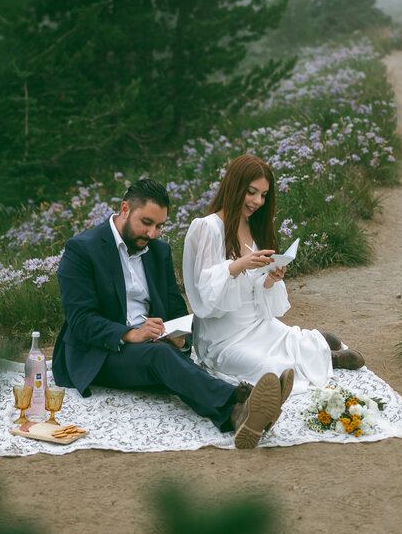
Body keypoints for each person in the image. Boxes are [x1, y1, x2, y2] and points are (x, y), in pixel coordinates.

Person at [53, 178, 293, 450]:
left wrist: (180, 336)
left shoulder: (158, 250)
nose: (153, 233)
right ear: (124, 210)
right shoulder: (82, 249)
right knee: (161, 356)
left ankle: (247, 409)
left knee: (167, 355)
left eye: (160, 226)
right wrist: (131, 334)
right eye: (146, 223)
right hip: (100, 352)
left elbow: (175, 308)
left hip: (151, 344)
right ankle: (238, 407)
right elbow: (80, 319)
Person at [183, 154, 365, 394]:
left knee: (289, 341)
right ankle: (324, 355)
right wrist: (239, 265)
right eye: (251, 192)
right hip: (223, 337)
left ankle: (316, 349)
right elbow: (204, 292)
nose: (258, 201)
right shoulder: (207, 227)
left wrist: (270, 279)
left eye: (264, 195)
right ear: (234, 186)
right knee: (272, 367)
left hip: (257, 323)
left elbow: (254, 289)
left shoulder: (253, 226)